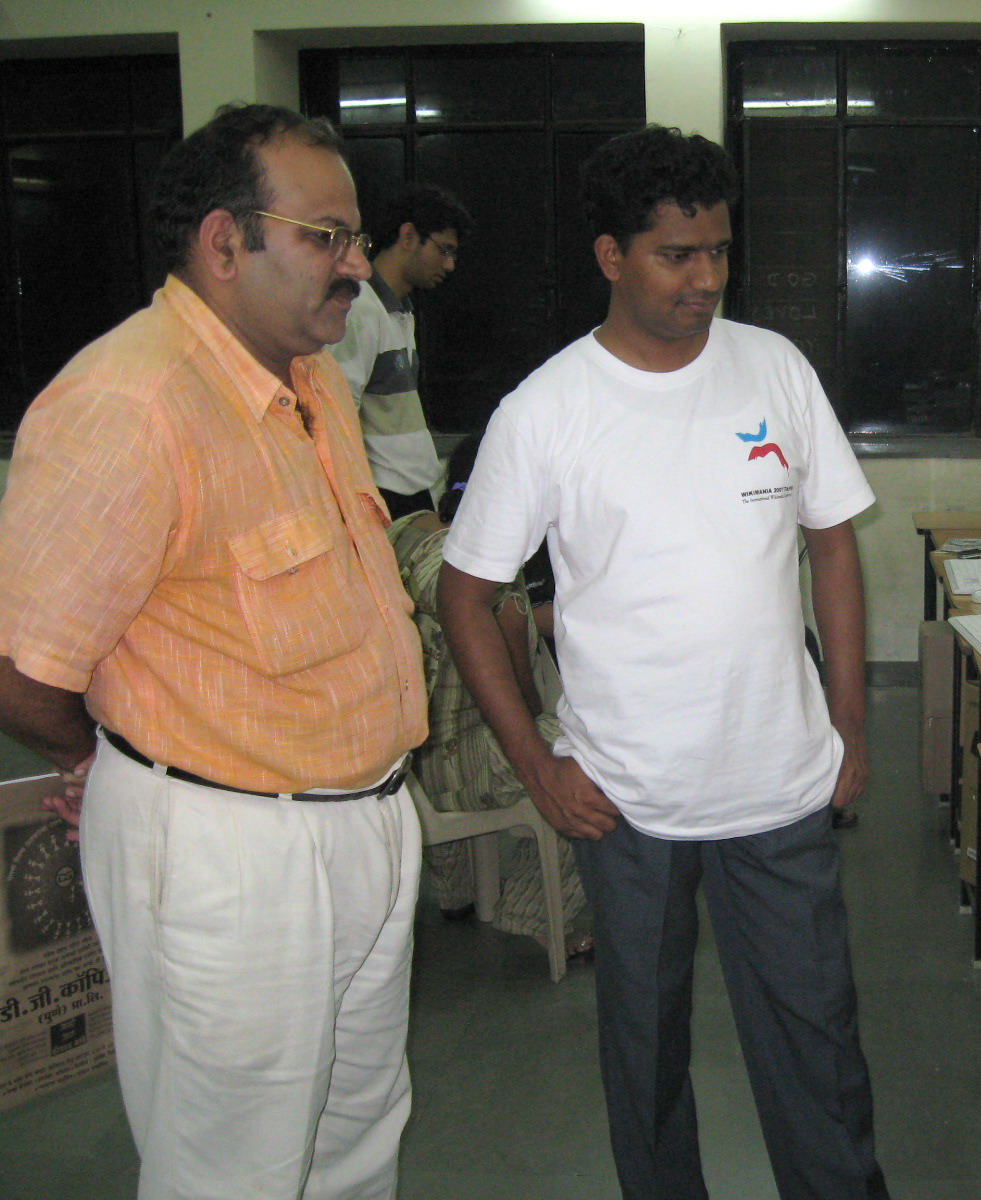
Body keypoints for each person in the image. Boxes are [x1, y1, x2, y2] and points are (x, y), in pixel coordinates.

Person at [437, 125, 890, 1200]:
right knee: (643, 1058)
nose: (706, 279)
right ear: (609, 256)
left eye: (720, 252)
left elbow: (831, 540)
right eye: (676, 256)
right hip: (627, 801)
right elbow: (467, 594)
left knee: (819, 1052)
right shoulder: (545, 412)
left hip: (781, 786)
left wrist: (851, 726)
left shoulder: (771, 366)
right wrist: (537, 769)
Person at [0, 103, 427, 1200]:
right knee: (232, 1170)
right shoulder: (129, 402)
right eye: (323, 236)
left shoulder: (309, 380)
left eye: (356, 237)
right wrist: (112, 758)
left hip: (367, 820)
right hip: (233, 853)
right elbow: (23, 666)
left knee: (356, 1140)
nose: (353, 265)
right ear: (224, 242)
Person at [388, 434, 591, 972]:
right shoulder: (488, 578)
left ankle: (457, 892)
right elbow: (520, 702)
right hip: (458, 768)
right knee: (598, 763)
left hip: (399, 761)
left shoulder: (401, 532)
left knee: (449, 715)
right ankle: (530, 912)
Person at [332, 182, 471, 518]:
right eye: (444, 250)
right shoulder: (359, 309)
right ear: (408, 237)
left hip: (414, 491)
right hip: (384, 498)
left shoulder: (400, 310)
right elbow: (338, 417)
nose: (450, 265)